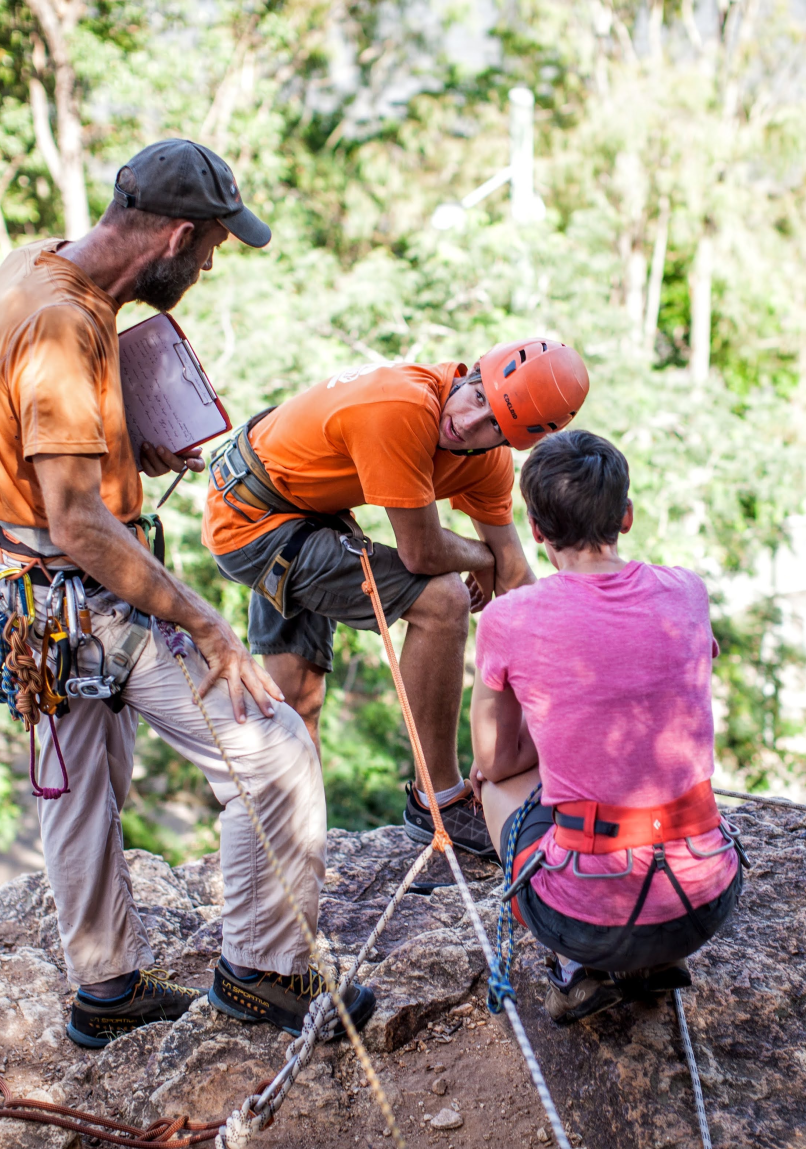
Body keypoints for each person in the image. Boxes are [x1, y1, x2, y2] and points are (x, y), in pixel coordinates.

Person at [0, 138, 374, 1048]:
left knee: (77, 792)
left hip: (30, 601)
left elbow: (38, 437)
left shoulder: (36, 270)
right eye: (214, 246)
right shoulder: (67, 328)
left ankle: (105, 992)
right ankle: (265, 974)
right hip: (87, 591)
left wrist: (121, 444)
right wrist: (206, 622)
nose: (214, 263)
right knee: (272, 753)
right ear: (177, 236)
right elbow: (78, 521)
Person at [202, 340, 590, 859]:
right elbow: (423, 554)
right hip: (253, 518)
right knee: (443, 602)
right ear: (471, 372)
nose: (470, 424)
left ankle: (291, 838)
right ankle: (440, 801)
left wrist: (583, 675)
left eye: (495, 425)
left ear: (514, 442)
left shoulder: (486, 461)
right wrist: (480, 557)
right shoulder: (403, 407)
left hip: (307, 502)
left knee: (299, 697)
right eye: (477, 396)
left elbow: (514, 572)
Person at [470, 429, 743, 1025]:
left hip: (589, 921)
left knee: (493, 787)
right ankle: (649, 966)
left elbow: (493, 761)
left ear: (536, 531)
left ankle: (575, 966)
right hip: (707, 903)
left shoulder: (508, 618)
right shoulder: (687, 591)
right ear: (626, 516)